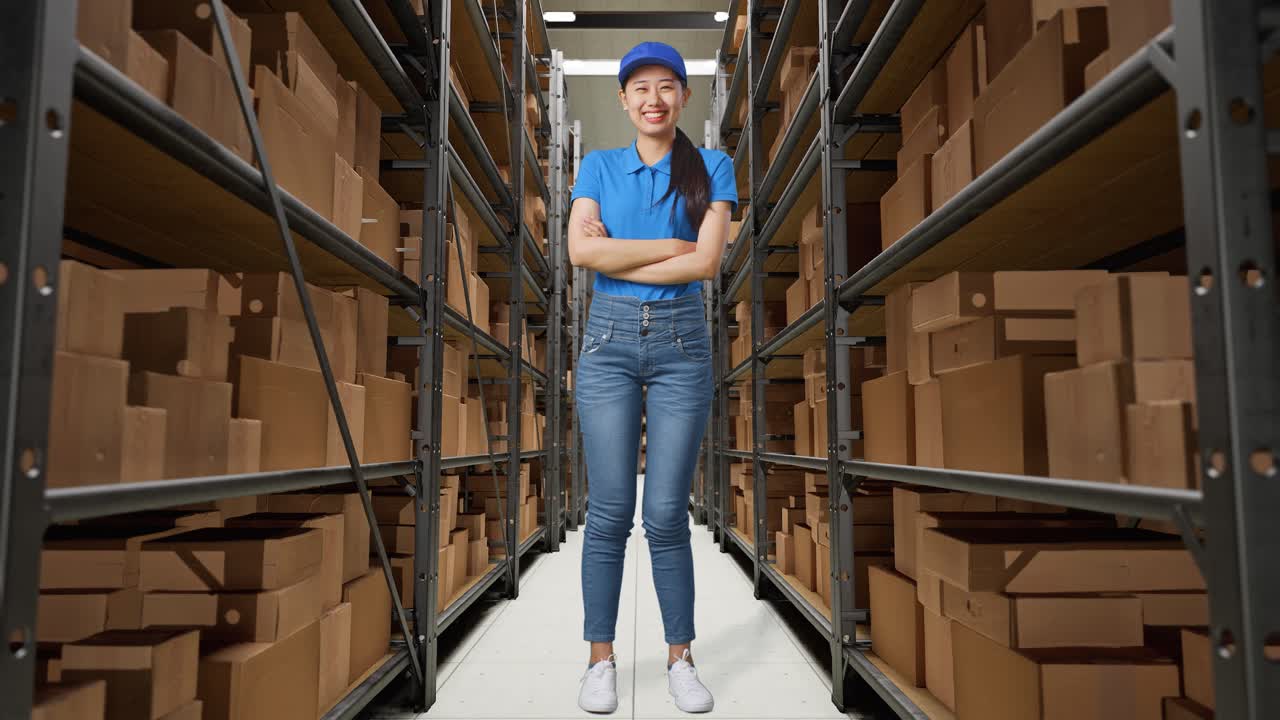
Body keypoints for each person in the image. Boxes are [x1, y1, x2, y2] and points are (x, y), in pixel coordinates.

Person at [567, 41, 737, 714]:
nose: (654, 98)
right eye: (641, 87)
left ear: (684, 98)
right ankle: (600, 660)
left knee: (666, 515)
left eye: (667, 86)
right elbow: (581, 251)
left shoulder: (712, 166)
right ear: (623, 100)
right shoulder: (598, 165)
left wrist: (622, 254)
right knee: (608, 512)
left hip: (681, 344)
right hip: (606, 342)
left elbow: (705, 267)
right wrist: (669, 245)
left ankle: (680, 658)